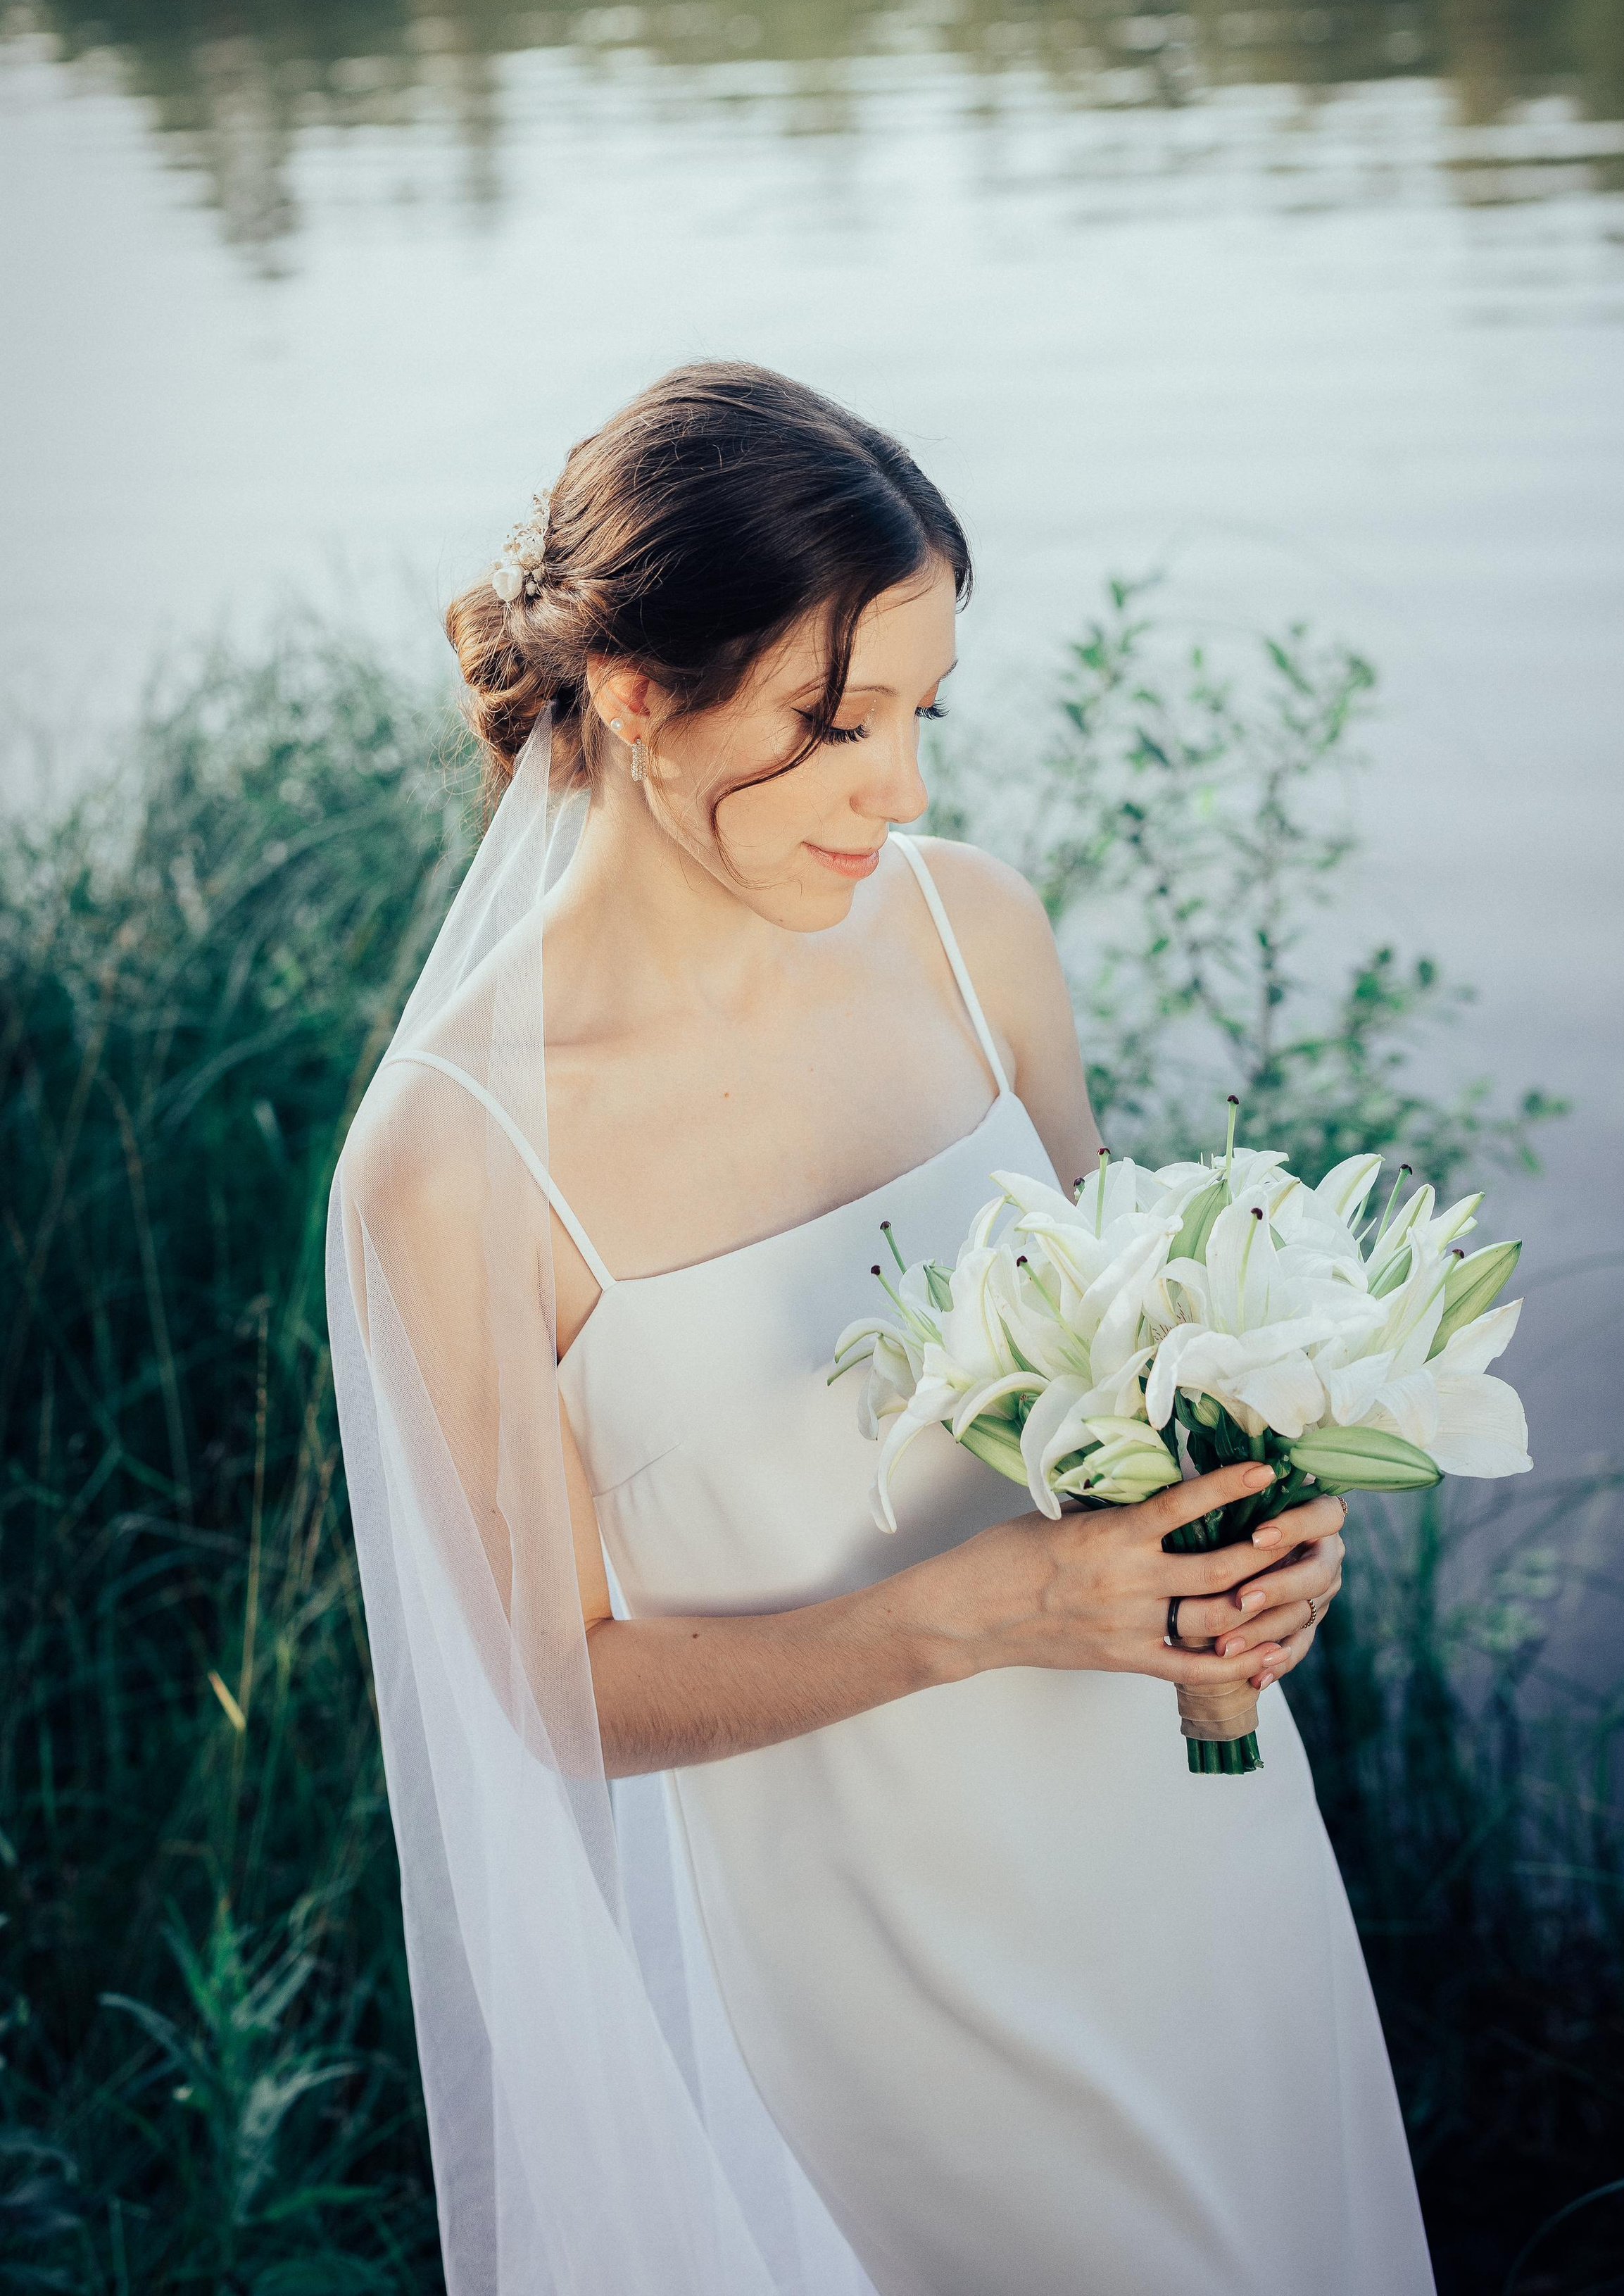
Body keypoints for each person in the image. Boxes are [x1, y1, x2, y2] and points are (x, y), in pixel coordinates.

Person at [329, 363, 1435, 2296]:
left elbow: (1142, 1373)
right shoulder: (455, 1163)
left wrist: (1258, 1531)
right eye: (837, 722)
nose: (902, 788)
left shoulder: (970, 932)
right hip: (892, 1954)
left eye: (923, 713)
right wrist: (978, 1615)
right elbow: (553, 1696)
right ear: (635, 693)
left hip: (1193, 1834)